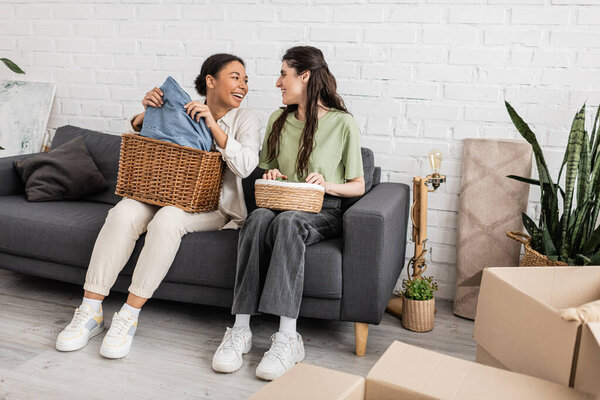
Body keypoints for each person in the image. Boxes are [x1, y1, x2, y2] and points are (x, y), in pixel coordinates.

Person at [55, 54, 261, 359]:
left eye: (245, 80)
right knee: (123, 212)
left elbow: (245, 166)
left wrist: (212, 127)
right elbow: (151, 141)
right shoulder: (180, 110)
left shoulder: (247, 120)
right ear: (211, 81)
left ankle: (128, 315)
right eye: (235, 77)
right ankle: (90, 310)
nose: (243, 85)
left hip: (213, 207)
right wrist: (145, 113)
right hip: (158, 192)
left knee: (167, 220)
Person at [212, 46, 365, 380]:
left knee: (288, 222)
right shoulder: (278, 120)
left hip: (322, 210)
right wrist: (269, 175)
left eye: (284, 73)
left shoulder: (343, 123)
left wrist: (327, 185)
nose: (278, 82)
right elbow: (264, 170)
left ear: (305, 76)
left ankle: (288, 337)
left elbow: (358, 185)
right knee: (258, 218)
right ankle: (240, 329)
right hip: (280, 203)